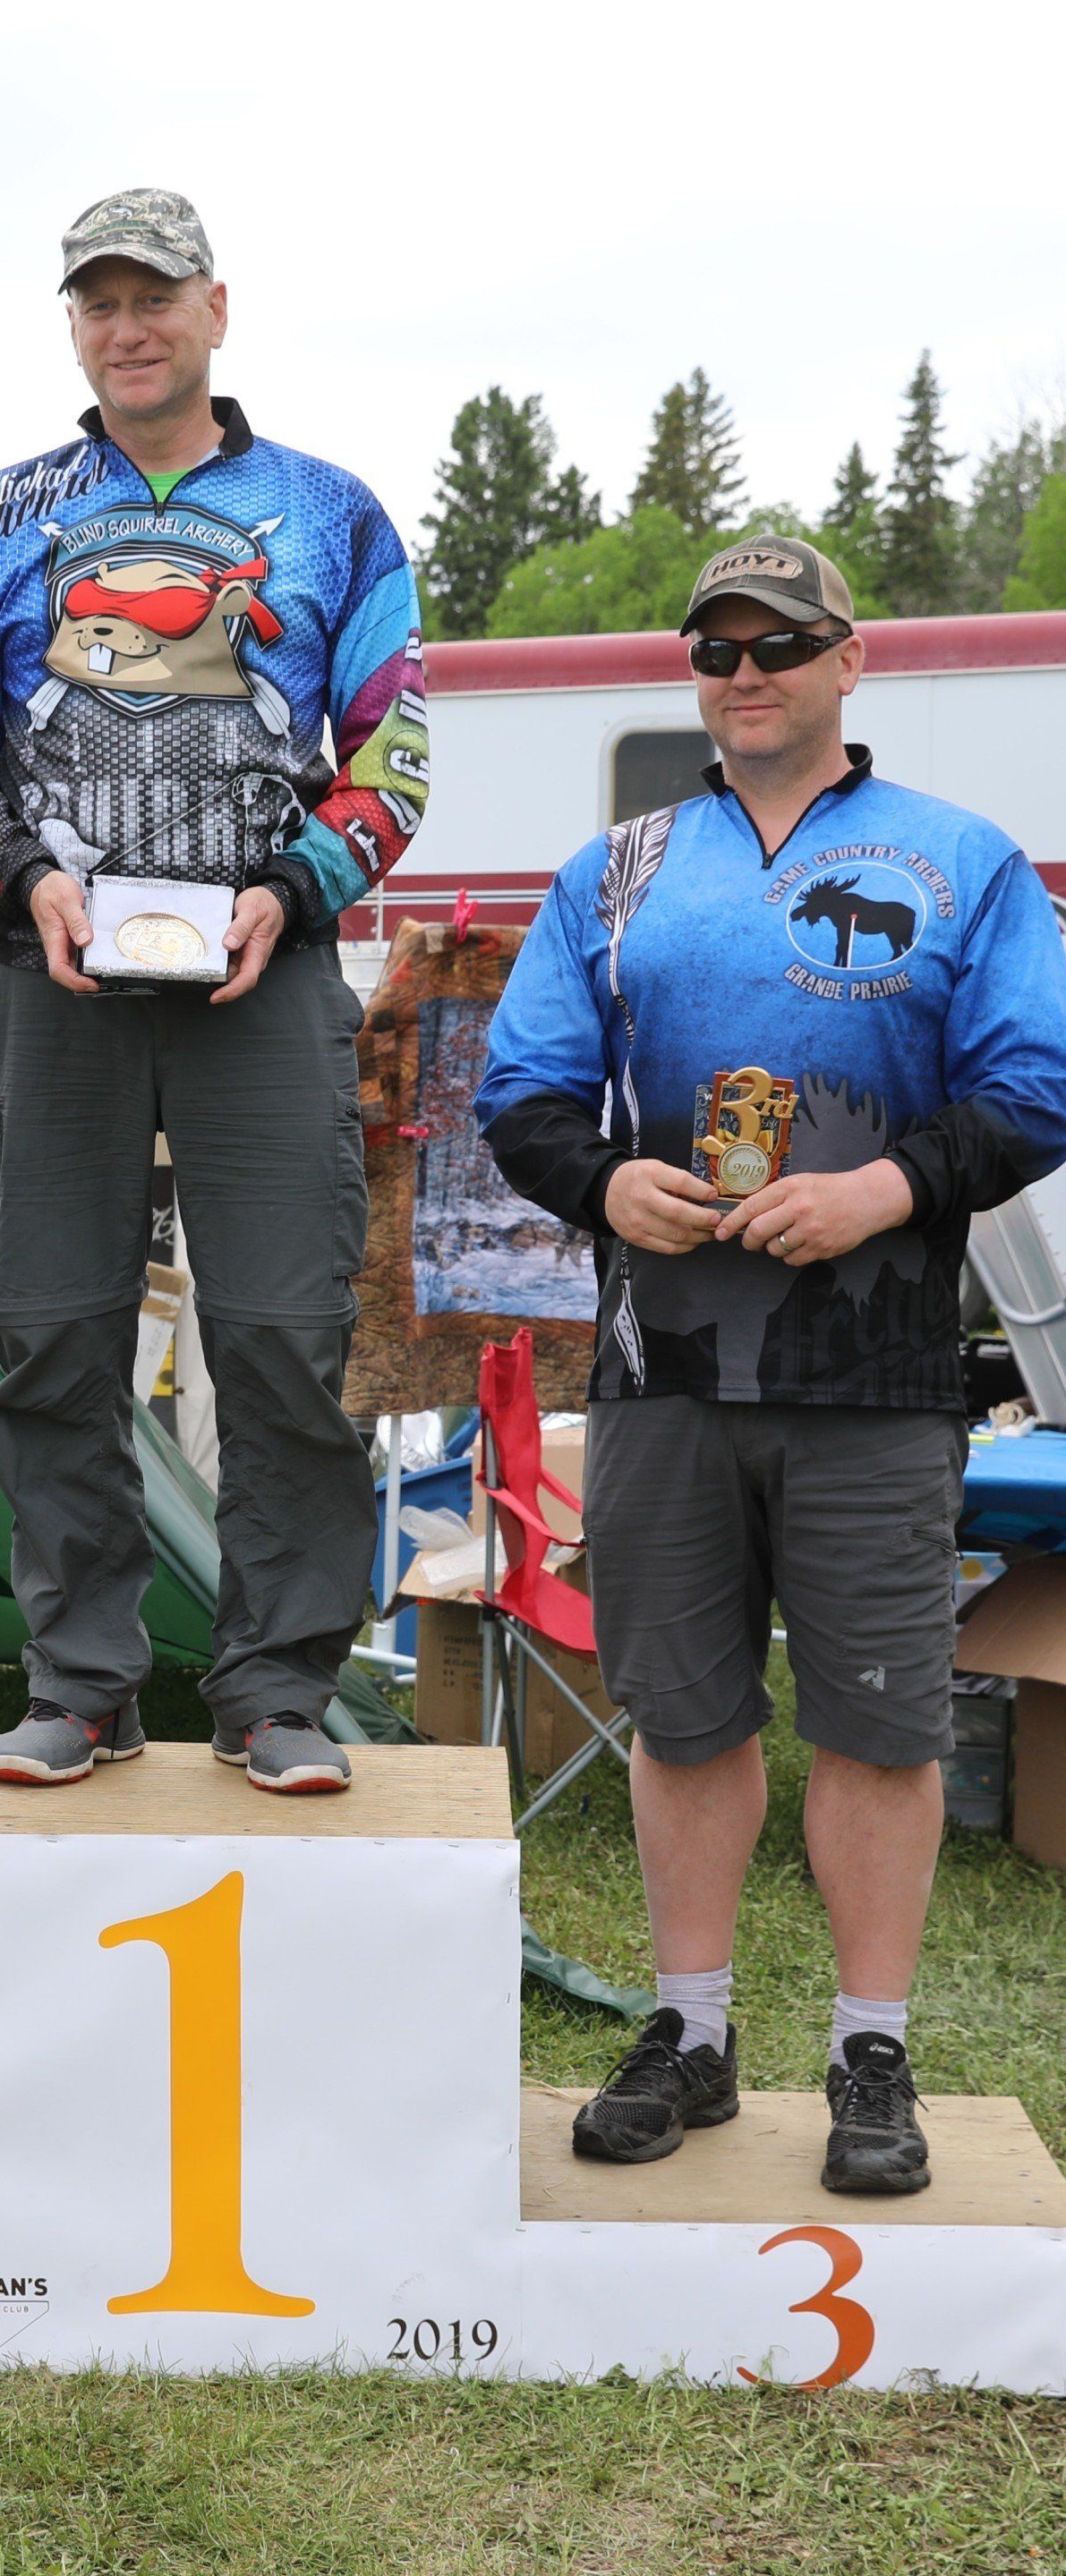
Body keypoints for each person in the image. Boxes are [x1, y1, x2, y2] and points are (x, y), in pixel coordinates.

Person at [477, 531, 1066, 2191]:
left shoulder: (963, 862)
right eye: (716, 650)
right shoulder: (621, 867)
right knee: (683, 1718)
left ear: (847, 658)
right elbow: (519, 1097)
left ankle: (870, 2051)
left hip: (879, 1374)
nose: (745, 674)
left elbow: (1038, 1085)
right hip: (663, 1366)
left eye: (779, 644)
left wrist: (885, 1186)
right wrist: (605, 1183)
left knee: (881, 1730)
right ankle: (695, 2029)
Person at [0, 188, 429, 1793]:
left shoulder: (333, 513)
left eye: (156, 296)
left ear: (216, 309)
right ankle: (85, 1681)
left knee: (282, 1338)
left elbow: (393, 747)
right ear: (75, 325)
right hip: (51, 976)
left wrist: (292, 891)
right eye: (97, 301)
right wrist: (26, 881)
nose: (128, 326)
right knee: (53, 1334)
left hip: (264, 978)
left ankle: (272, 1691)